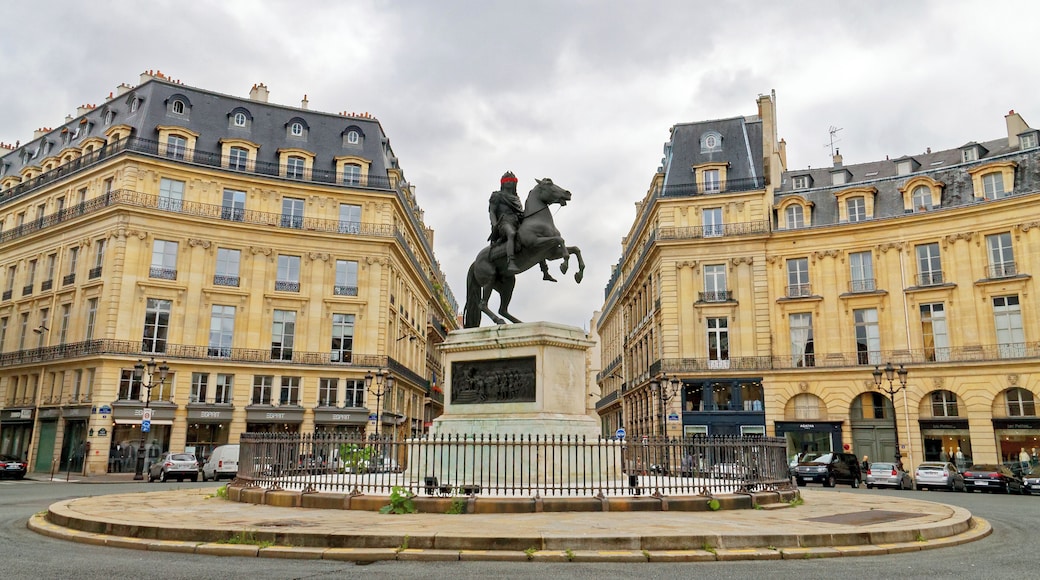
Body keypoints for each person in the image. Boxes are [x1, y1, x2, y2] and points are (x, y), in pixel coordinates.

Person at [488, 171, 557, 281]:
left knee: (534, 238)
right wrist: (494, 224)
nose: (510, 183)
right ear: (503, 183)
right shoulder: (497, 195)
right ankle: (511, 261)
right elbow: (492, 211)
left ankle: (545, 271)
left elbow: (520, 212)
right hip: (504, 222)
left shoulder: (516, 198)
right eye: (507, 181)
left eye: (512, 181)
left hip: (517, 221)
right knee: (511, 234)